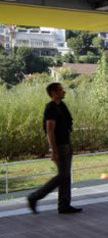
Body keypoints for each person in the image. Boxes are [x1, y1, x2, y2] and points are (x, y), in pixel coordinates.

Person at [27, 82, 82, 215]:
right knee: (63, 175)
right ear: (53, 93)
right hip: (59, 146)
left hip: (66, 143)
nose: (64, 91)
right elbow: (50, 131)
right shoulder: (50, 109)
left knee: (66, 176)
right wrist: (54, 150)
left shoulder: (61, 106)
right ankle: (34, 197)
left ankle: (64, 205)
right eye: (61, 90)